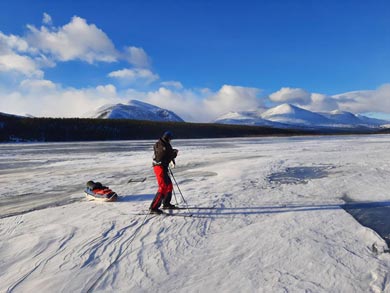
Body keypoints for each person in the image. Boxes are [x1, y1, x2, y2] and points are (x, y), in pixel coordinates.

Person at [149, 131, 179, 214]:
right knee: (163, 187)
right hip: (159, 168)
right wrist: (174, 154)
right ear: (168, 138)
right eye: (170, 139)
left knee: (169, 185)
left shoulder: (162, 144)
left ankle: (166, 203)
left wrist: (171, 153)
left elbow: (166, 154)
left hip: (162, 167)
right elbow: (164, 155)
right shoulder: (163, 145)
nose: (171, 140)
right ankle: (153, 207)